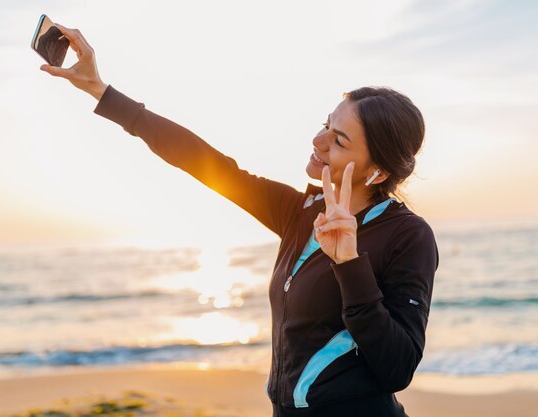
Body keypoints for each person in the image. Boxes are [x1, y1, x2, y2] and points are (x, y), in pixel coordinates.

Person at [40, 23, 440, 417]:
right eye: (325, 125)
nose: (318, 142)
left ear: (379, 172)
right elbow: (206, 163)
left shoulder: (407, 236)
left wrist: (350, 264)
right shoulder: (301, 212)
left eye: (338, 141)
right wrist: (100, 90)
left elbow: (398, 367)